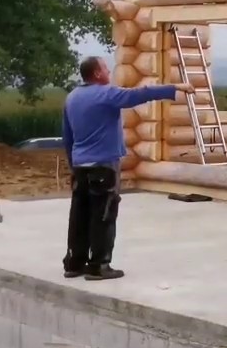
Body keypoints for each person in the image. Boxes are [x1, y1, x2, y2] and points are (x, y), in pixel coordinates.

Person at [60, 56, 195, 280]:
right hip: (103, 166)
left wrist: (73, 166)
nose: (109, 72)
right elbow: (140, 94)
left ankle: (74, 263)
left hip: (80, 166)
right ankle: (99, 266)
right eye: (105, 68)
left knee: (79, 215)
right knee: (103, 215)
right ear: (96, 74)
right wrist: (176, 87)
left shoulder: (72, 98)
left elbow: (67, 136)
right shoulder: (105, 93)